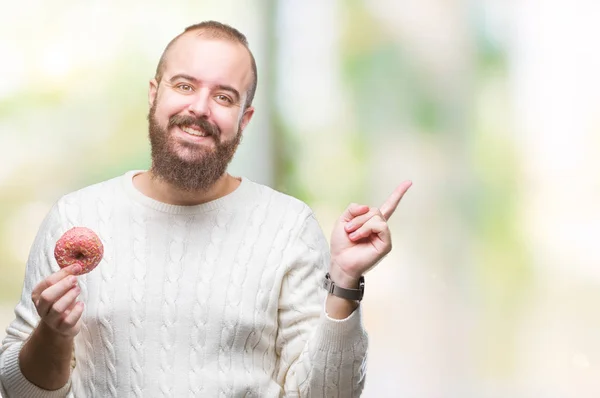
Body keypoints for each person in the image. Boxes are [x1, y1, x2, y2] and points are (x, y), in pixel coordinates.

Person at [0, 21, 411, 397]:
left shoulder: (288, 226)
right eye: (184, 85)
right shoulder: (77, 216)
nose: (199, 107)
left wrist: (344, 278)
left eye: (223, 96)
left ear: (244, 119)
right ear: (154, 93)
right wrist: (53, 333)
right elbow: (21, 392)